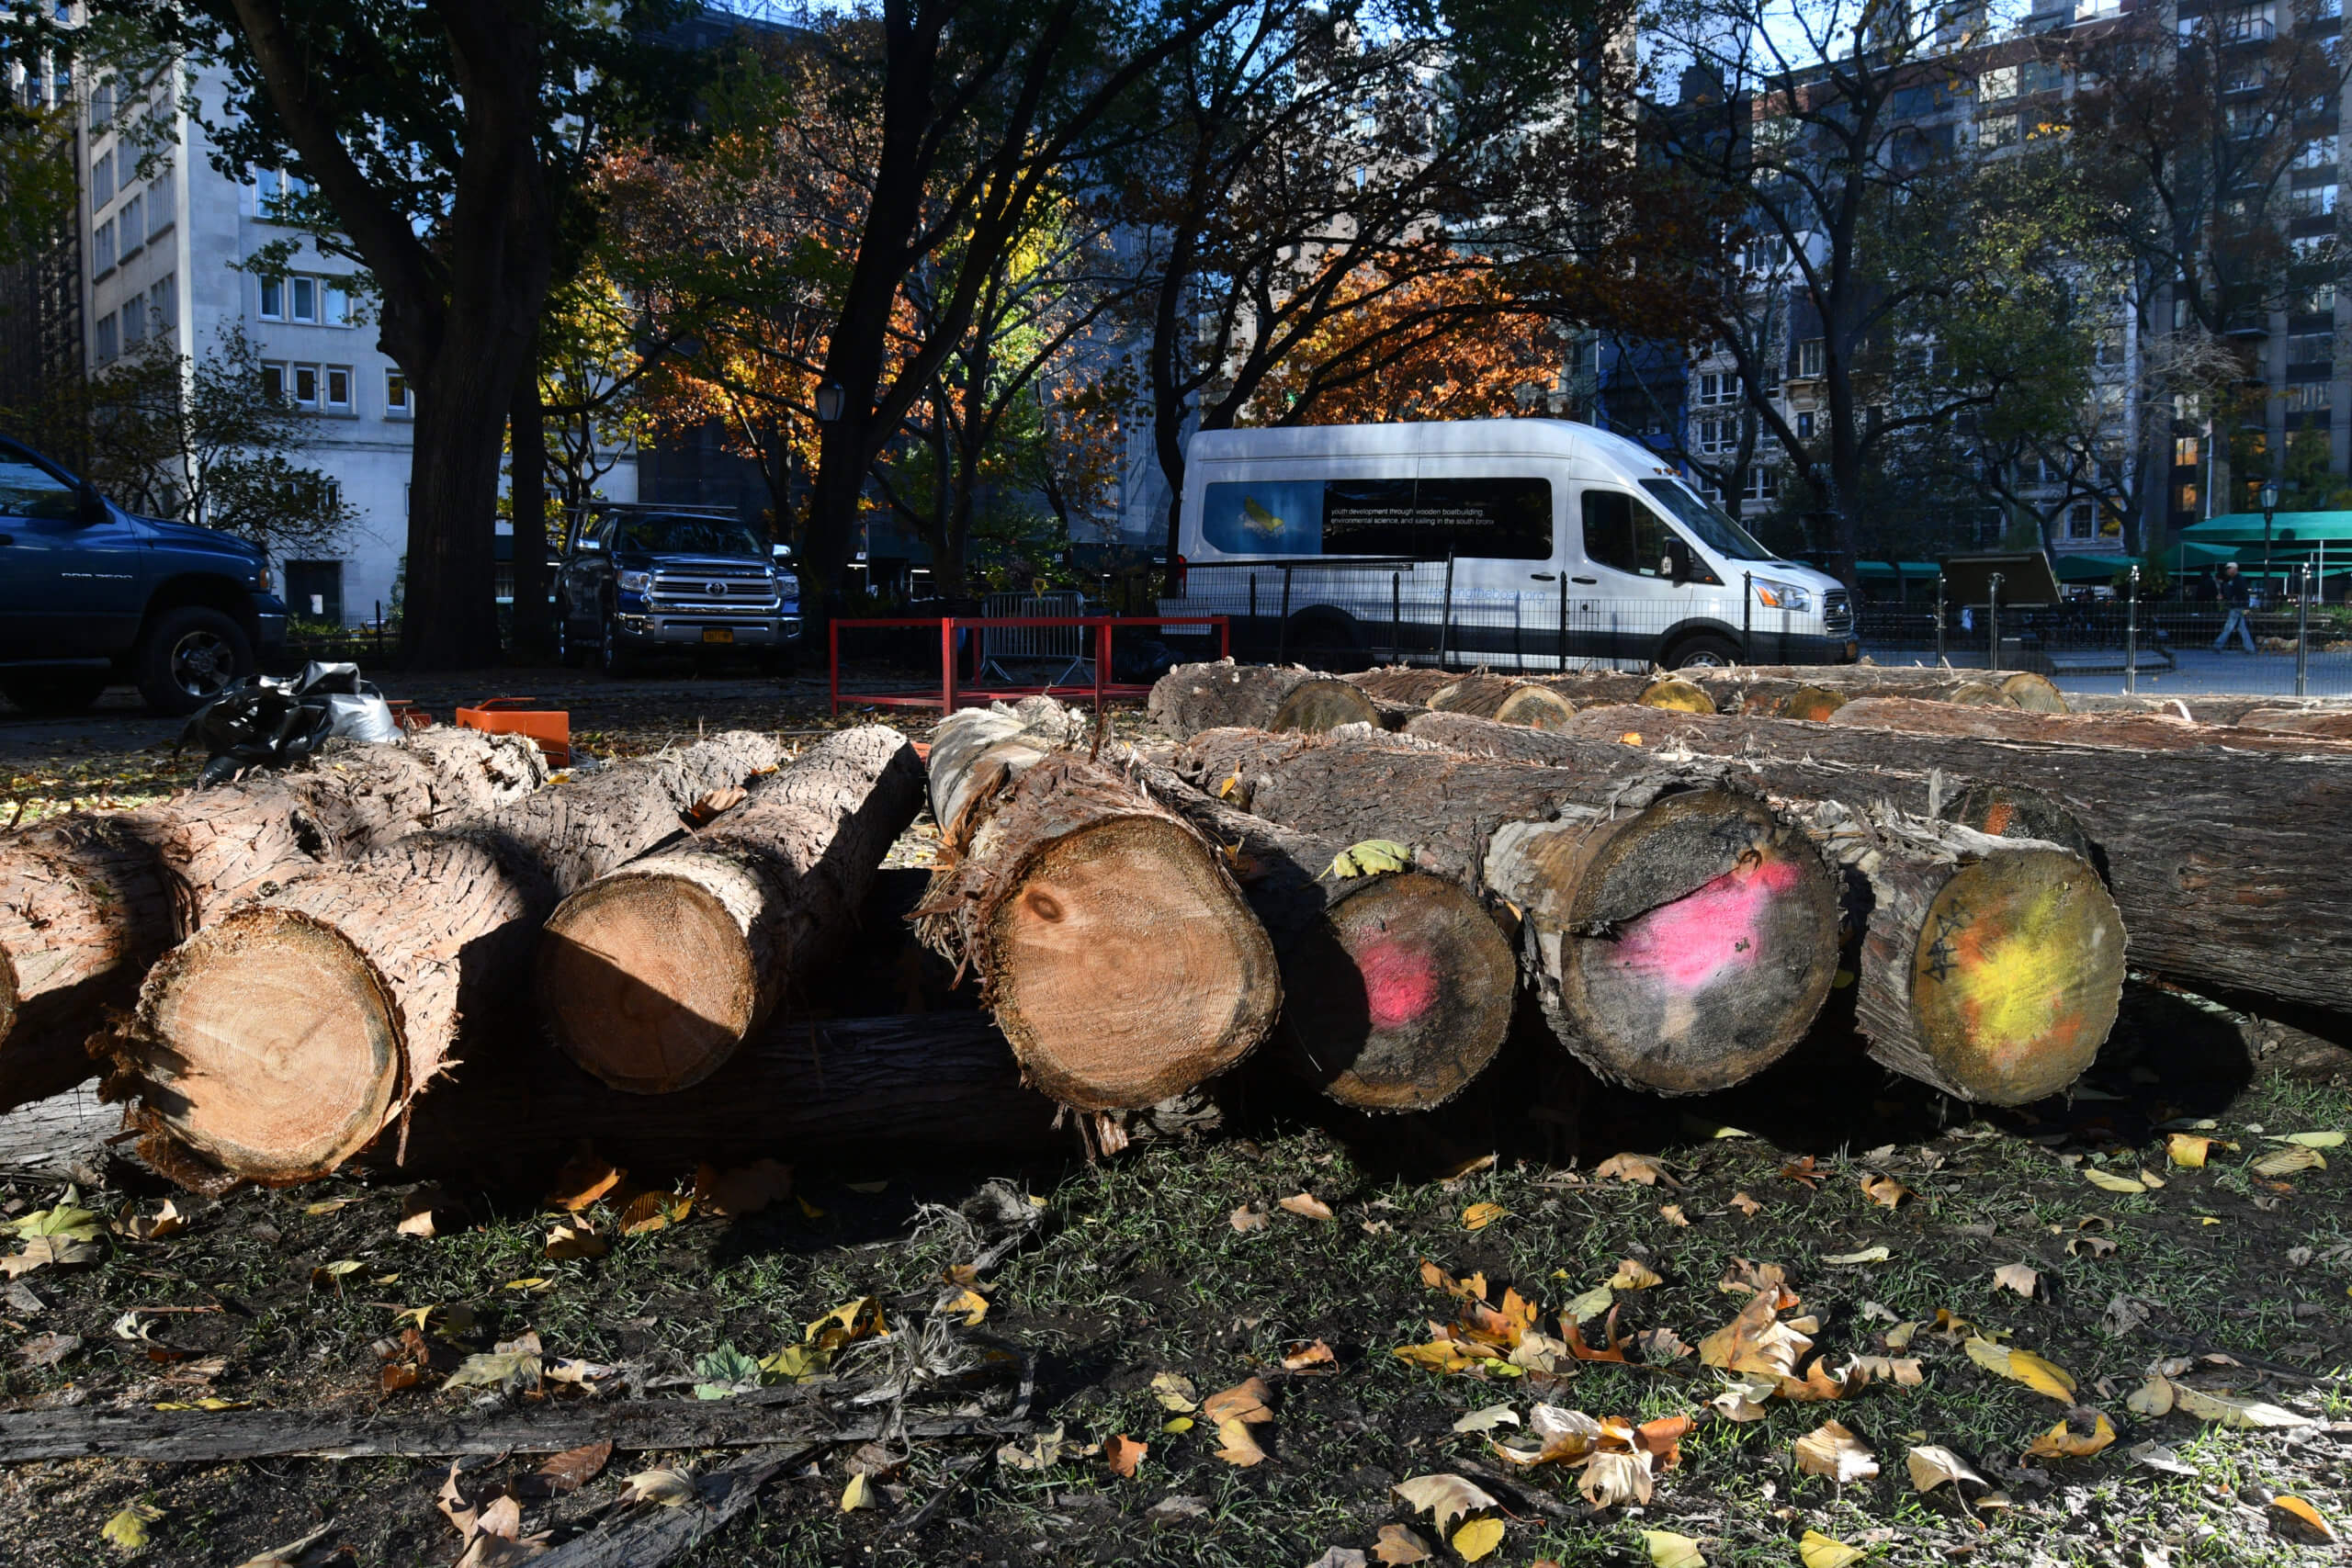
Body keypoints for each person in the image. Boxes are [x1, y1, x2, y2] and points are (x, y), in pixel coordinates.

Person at [2211, 561, 2255, 652]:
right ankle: (2250, 648)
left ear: (2234, 569)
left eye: (2229, 568)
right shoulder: (2237, 579)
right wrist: (2246, 607)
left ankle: (2218, 645)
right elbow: (2243, 593)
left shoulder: (2237, 580)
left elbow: (2240, 593)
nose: (2227, 571)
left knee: (2229, 627)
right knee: (2242, 628)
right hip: (2239, 606)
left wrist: (2225, 597)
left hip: (2236, 606)